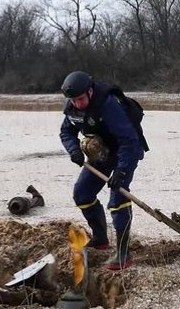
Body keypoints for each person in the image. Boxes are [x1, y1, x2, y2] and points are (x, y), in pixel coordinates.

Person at [59, 71, 145, 270]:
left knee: (118, 199)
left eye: (80, 99)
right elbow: (66, 132)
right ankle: (100, 239)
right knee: (82, 194)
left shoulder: (108, 105)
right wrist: (74, 151)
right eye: (73, 100)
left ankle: (123, 253)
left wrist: (121, 172)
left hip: (127, 152)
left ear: (89, 91)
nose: (77, 104)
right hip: (102, 154)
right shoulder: (73, 108)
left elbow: (129, 140)